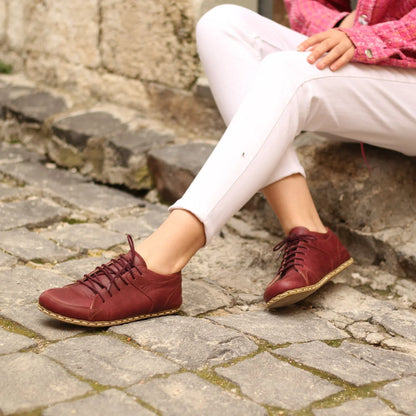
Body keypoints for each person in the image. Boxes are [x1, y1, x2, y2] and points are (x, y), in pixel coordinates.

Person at [38, 0, 416, 327]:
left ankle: (161, 260)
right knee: (221, 25)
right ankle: (309, 231)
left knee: (289, 72)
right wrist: (338, 27)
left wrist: (368, 38)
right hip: (379, 71)